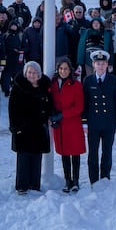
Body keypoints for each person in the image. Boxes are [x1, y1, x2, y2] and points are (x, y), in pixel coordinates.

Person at [8, 60, 52, 194]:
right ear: (25, 73)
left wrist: (47, 117)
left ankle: (34, 184)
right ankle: (22, 185)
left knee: (36, 157)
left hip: (38, 128)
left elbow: (49, 105)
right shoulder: (18, 87)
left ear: (39, 74)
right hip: (23, 128)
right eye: (29, 72)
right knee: (23, 158)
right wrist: (16, 127)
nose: (32, 75)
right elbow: (12, 108)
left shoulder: (44, 87)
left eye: (34, 72)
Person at [81, 50, 116, 184]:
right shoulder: (88, 80)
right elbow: (85, 103)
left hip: (108, 123)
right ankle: (93, 179)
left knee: (107, 152)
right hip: (93, 123)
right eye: (98, 63)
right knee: (93, 153)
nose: (100, 66)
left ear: (107, 65)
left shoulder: (113, 80)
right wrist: (84, 122)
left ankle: (105, 178)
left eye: (103, 63)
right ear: (93, 64)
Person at [49, 57, 84, 192]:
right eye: (61, 68)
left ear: (70, 70)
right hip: (60, 124)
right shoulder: (53, 84)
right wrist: (53, 115)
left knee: (74, 152)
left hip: (72, 122)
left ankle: (76, 181)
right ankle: (67, 180)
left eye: (66, 69)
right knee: (64, 153)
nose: (63, 71)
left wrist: (63, 114)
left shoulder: (76, 85)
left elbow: (79, 107)